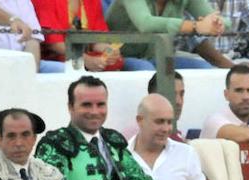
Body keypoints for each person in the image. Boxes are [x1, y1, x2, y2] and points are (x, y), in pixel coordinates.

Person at [35, 76, 193, 180]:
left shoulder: (112, 141)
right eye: (86, 105)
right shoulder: (55, 144)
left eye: (100, 105)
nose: (94, 111)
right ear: (71, 107)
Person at [130, 94, 216, 180]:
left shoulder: (187, 154)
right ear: (140, 121)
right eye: (159, 122)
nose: (166, 128)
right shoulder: (119, 156)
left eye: (169, 122)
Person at [105, 0, 234, 69]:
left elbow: (221, 19)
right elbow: (145, 23)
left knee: (203, 69)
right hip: (118, 57)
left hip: (156, 57)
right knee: (146, 69)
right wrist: (195, 26)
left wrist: (217, 23)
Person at [32, 0, 154, 71]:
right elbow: (55, 45)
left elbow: (97, 38)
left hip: (90, 57)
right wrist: (85, 60)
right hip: (59, 60)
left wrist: (108, 51)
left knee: (119, 61)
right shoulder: (45, 1)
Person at [149, 71, 188, 141]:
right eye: (172, 95)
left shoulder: (178, 137)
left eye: (181, 95)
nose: (179, 102)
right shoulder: (139, 135)